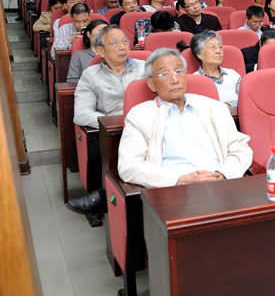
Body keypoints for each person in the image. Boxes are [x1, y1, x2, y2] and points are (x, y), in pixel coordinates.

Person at [117, 48, 253, 189]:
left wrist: (223, 174)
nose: (175, 80)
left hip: (221, 187)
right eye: (164, 74)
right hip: (173, 191)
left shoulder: (214, 108)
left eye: (179, 71)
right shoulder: (140, 115)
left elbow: (241, 149)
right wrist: (178, 180)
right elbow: (129, 165)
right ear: (151, 83)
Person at [68, 25, 146, 218]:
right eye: (115, 43)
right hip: (113, 131)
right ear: (100, 50)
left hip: (147, 127)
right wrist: (113, 122)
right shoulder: (90, 74)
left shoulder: (146, 68)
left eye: (125, 41)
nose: (122, 46)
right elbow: (81, 114)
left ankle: (103, 197)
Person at [191, 31, 241, 107]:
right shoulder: (195, 80)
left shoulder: (233, 74)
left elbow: (244, 100)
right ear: (199, 55)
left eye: (220, 47)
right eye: (212, 47)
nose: (218, 51)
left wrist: (227, 105)